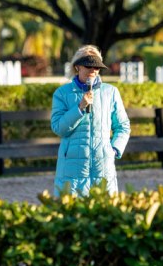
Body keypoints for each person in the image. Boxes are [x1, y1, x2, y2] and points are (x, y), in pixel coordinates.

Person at [51, 45, 130, 196]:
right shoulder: (61, 93)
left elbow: (123, 126)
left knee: (105, 214)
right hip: (72, 169)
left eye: (97, 66)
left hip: (103, 167)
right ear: (77, 67)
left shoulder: (111, 92)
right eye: (88, 65)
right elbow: (58, 128)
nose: (93, 70)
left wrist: (113, 150)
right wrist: (80, 108)